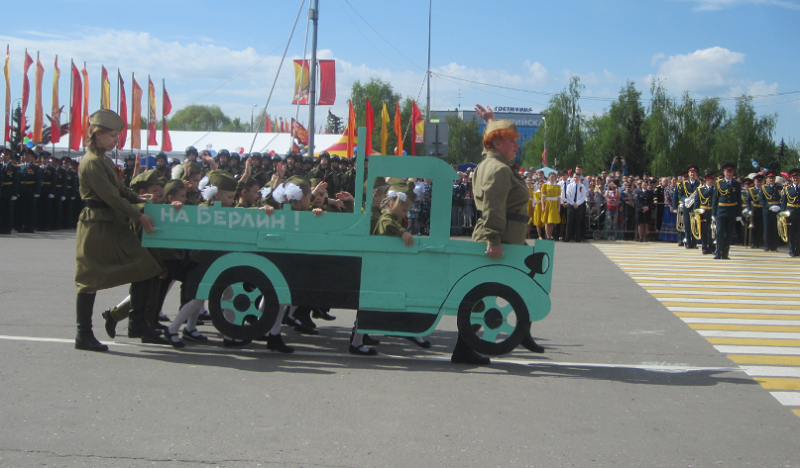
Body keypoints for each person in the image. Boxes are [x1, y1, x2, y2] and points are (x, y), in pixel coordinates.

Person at [74, 110, 166, 351]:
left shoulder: (104, 159)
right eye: (113, 135)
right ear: (98, 134)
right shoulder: (92, 162)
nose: (117, 140)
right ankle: (83, 335)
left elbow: (122, 190)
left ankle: (137, 324)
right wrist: (139, 214)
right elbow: (112, 198)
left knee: (145, 269)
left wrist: (138, 196)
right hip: (97, 225)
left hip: (113, 224)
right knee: (89, 280)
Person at [468, 104, 545, 365]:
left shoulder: (491, 162)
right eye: (512, 141)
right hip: (501, 239)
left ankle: (523, 332)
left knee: (523, 286)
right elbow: (493, 206)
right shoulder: (499, 169)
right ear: (498, 143)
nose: (517, 145)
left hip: (510, 238)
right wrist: (493, 240)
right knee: (481, 295)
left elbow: (487, 148)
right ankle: (465, 345)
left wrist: (490, 119)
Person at [712, 163, 743, 259]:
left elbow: (739, 200)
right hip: (721, 210)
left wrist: (739, 214)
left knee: (729, 233)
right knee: (720, 232)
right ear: (724, 172)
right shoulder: (719, 183)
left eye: (730, 172)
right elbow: (715, 199)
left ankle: (725, 253)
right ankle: (718, 252)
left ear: (733, 173)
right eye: (726, 171)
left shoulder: (737, 184)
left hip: (732, 211)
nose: (728, 174)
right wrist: (714, 213)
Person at [674, 165, 701, 249]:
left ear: (696, 174)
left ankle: (694, 243)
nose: (692, 173)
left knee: (695, 225)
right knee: (687, 225)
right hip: (687, 206)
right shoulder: (684, 184)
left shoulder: (699, 184)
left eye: (694, 172)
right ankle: (688, 243)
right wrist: (685, 199)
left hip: (695, 207)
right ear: (688, 174)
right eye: (691, 172)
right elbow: (680, 195)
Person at [563, 172, 588, 242]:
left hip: (579, 205)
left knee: (578, 222)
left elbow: (583, 196)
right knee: (569, 222)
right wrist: (573, 203)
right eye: (574, 177)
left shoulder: (582, 186)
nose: (575, 178)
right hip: (571, 205)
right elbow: (568, 195)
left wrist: (577, 203)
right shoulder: (570, 186)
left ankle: (578, 237)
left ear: (579, 178)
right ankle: (567, 237)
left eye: (577, 177)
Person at [781, 168, 800, 257]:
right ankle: (791, 250)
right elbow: (784, 202)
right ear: (791, 178)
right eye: (794, 177)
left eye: (797, 177)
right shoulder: (787, 189)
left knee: (799, 233)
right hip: (790, 213)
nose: (795, 179)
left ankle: (798, 250)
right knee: (791, 233)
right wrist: (782, 214)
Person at [762, 169, 782, 252]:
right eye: (770, 178)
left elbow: (782, 199)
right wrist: (769, 207)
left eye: (773, 178)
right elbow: (762, 200)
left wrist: (779, 207)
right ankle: (767, 245)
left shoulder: (779, 187)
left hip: (776, 210)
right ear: (767, 179)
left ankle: (774, 245)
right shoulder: (764, 188)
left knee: (775, 228)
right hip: (767, 211)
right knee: (767, 228)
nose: (771, 179)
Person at [697, 172, 716, 254]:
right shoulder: (701, 189)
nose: (713, 181)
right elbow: (697, 201)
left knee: (713, 230)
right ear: (707, 180)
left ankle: (712, 247)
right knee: (704, 231)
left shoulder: (716, 189)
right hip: (703, 212)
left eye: (714, 179)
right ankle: (704, 247)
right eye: (711, 179)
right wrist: (696, 212)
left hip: (712, 211)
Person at [745, 174, 765, 249]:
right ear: (754, 182)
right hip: (754, 210)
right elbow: (748, 201)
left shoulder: (764, 189)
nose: (758, 183)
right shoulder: (751, 190)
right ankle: (752, 242)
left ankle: (759, 242)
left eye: (760, 181)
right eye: (757, 181)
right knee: (753, 227)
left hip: (762, 210)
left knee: (760, 227)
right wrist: (749, 209)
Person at [540, 171, 561, 240]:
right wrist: (543, 206)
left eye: (554, 177)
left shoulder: (557, 186)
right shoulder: (545, 185)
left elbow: (559, 197)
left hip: (554, 203)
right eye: (551, 177)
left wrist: (559, 207)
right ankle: (548, 236)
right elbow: (542, 197)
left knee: (552, 221)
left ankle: (551, 235)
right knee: (547, 221)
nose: (552, 178)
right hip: (548, 203)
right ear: (549, 177)